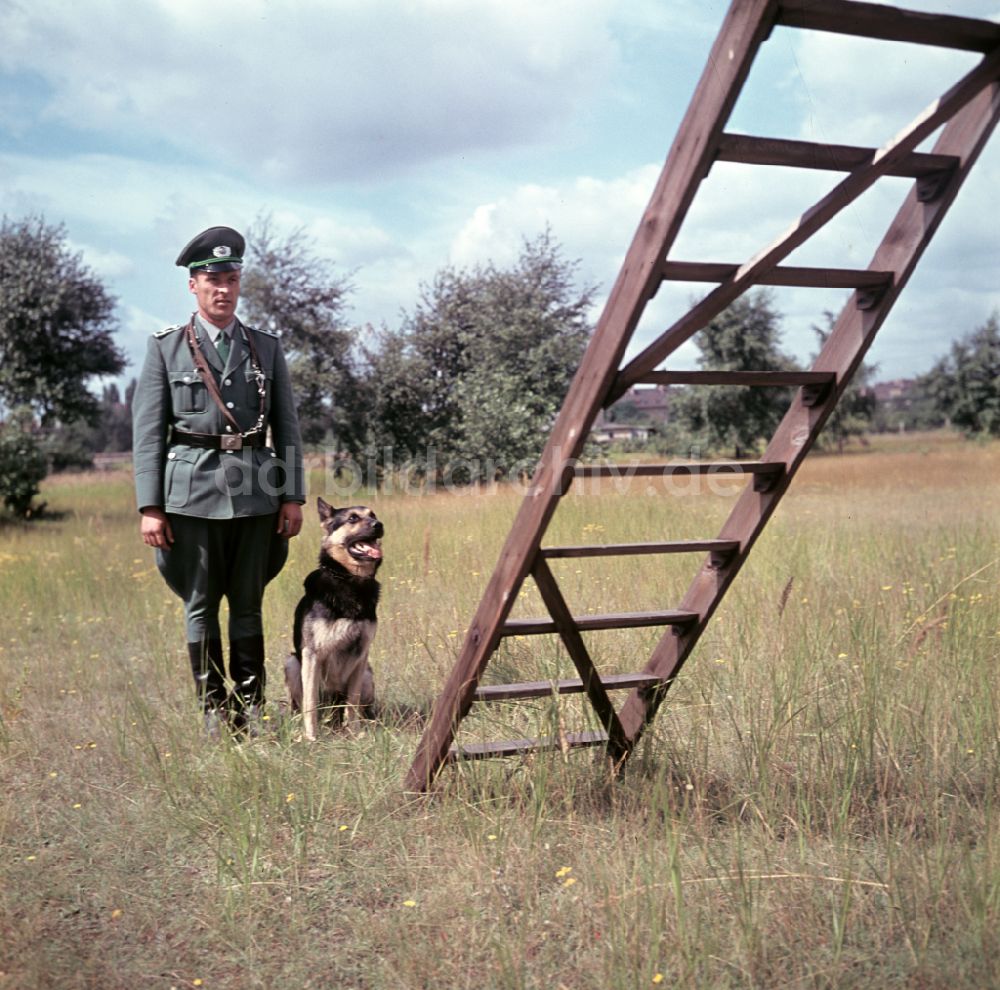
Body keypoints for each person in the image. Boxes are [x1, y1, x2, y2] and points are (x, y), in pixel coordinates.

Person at [133, 225, 305, 736]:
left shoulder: (265, 348)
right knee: (201, 604)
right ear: (193, 286)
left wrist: (292, 496)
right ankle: (213, 709)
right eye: (212, 280)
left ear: (239, 282)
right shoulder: (166, 349)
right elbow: (147, 433)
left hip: (257, 493)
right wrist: (150, 506)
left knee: (249, 603)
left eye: (231, 278)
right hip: (190, 496)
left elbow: (288, 426)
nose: (223, 289)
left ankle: (252, 706)